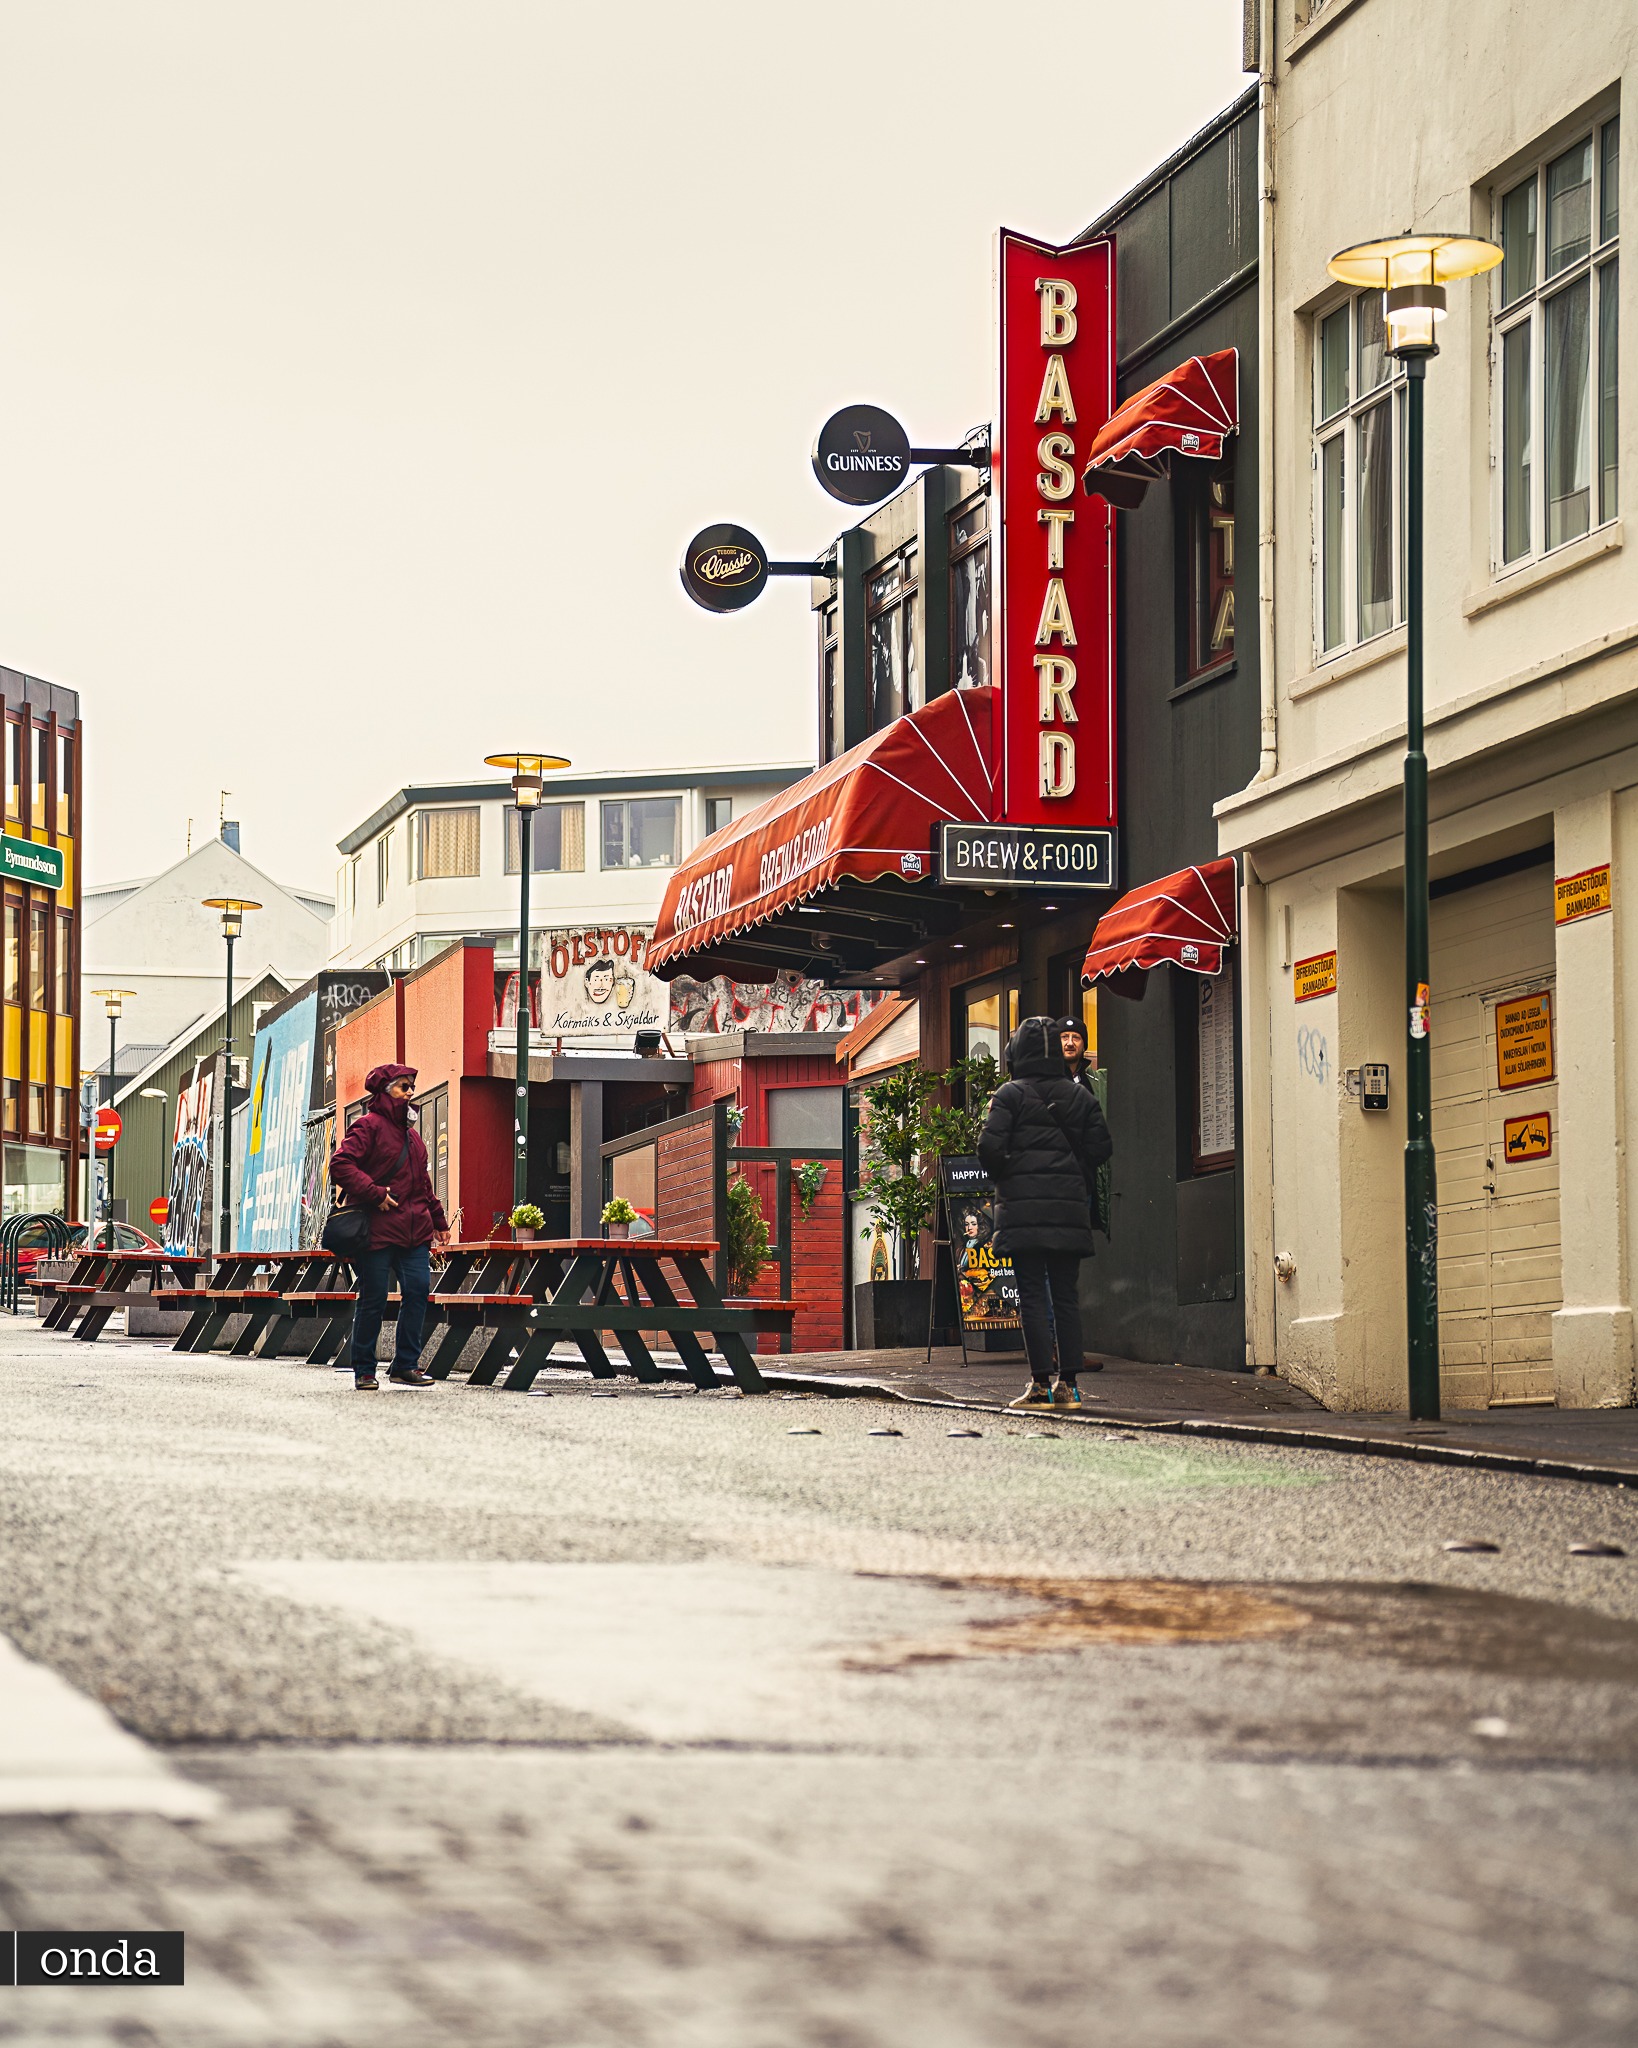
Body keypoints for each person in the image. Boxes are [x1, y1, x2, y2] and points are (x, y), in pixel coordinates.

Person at [978, 1016, 1112, 1410]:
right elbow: (1102, 1148)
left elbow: (988, 1147)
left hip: (1022, 1209)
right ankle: (1069, 1385)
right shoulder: (1080, 1096)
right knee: (1067, 1297)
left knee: (1033, 1296)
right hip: (1068, 1208)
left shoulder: (1009, 1095)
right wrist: (1075, 1175)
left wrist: (1009, 1174)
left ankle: (1039, 1386)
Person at [330, 1063, 448, 1391]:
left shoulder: (412, 1138)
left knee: (418, 1292)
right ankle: (364, 1370)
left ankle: (405, 1366)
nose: (411, 1092)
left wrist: (439, 1221)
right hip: (377, 1231)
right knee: (374, 1298)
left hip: (415, 1231)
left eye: (412, 1086)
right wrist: (375, 1193)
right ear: (385, 1092)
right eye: (403, 1087)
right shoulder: (367, 1127)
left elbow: (422, 1184)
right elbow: (340, 1164)